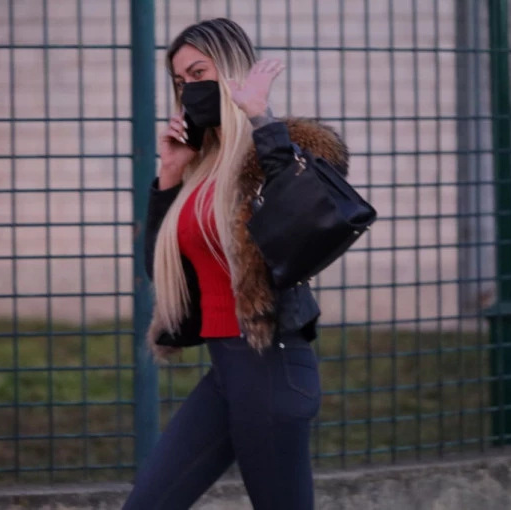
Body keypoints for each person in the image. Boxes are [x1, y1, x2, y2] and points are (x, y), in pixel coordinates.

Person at [123, 18, 349, 510]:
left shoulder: (282, 149)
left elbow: (306, 215)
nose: (188, 89)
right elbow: (163, 270)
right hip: (227, 373)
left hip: (272, 369)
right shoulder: (201, 165)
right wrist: (170, 173)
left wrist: (261, 119)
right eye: (180, 80)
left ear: (231, 70)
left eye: (199, 73)